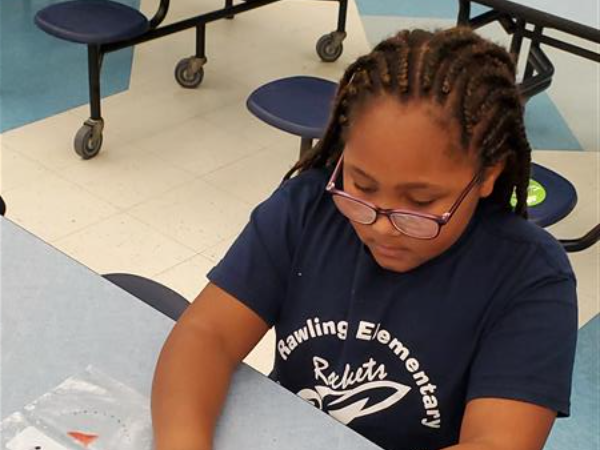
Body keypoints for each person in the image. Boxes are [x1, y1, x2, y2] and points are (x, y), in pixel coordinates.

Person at [151, 27, 578, 450]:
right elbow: (207, 334)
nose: (381, 225)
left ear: (487, 175)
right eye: (361, 186)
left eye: (421, 202)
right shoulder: (308, 208)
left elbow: (498, 442)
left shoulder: (530, 276)